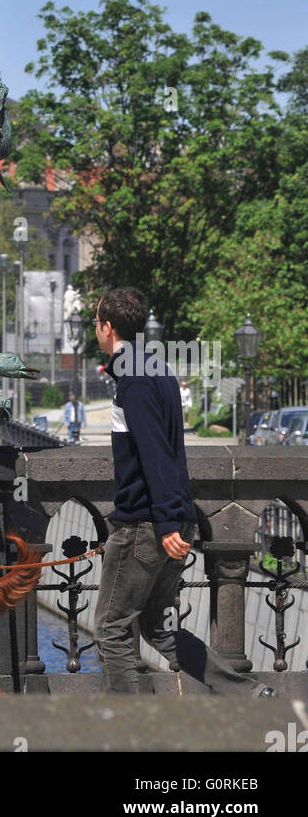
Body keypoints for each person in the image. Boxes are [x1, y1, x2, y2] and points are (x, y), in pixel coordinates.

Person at [92, 287, 274, 696]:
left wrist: (166, 521)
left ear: (108, 327)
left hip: (145, 525)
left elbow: (155, 452)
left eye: (96, 323)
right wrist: (176, 517)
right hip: (170, 520)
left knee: (111, 627)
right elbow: (173, 450)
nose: (95, 330)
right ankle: (250, 695)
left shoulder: (132, 378)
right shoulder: (155, 368)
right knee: (158, 626)